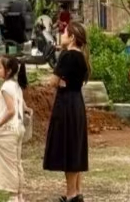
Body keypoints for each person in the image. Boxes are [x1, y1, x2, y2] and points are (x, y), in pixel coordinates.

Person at [43, 22, 90, 202]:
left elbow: (53, 82)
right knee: (75, 147)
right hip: (77, 102)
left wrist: (58, 80)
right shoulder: (82, 57)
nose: (61, 35)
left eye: (64, 32)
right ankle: (77, 191)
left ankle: (71, 194)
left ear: (72, 38)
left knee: (68, 149)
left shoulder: (67, 55)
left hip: (66, 104)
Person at [0, 55, 28, 202]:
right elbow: (23, 106)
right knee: (16, 163)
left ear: (9, 70)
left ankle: (13, 197)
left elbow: (11, 110)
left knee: (9, 165)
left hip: (8, 131)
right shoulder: (16, 85)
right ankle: (19, 195)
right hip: (18, 129)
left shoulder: (6, 87)